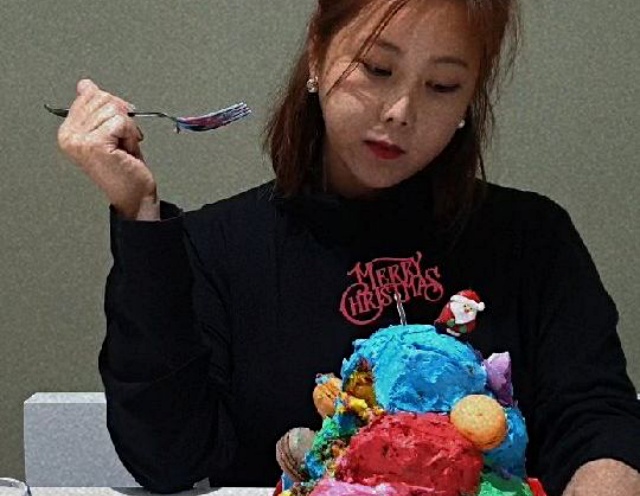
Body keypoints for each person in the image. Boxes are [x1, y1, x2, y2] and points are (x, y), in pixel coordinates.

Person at [56, 0, 640, 494]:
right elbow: (167, 458)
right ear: (318, 52)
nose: (400, 112)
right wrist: (140, 212)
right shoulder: (219, 246)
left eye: (442, 86)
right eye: (377, 69)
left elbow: (596, 420)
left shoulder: (531, 238)